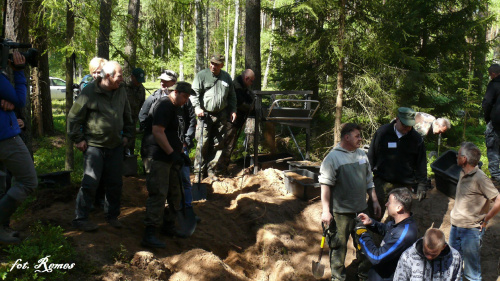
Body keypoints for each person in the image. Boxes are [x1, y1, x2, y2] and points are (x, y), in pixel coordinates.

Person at [67, 61, 134, 232]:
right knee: (90, 183)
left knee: (115, 183)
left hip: (116, 145)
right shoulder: (89, 91)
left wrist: (127, 135)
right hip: (94, 146)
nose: (122, 79)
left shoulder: (121, 91)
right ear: (109, 76)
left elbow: (127, 114)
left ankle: (112, 216)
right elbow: (74, 117)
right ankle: (81, 218)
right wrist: (78, 139)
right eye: (119, 76)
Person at [319, 123, 381, 281]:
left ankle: (364, 276)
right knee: (338, 249)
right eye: (357, 136)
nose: (360, 139)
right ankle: (338, 278)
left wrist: (374, 200)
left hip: (361, 211)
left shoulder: (362, 154)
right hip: (341, 214)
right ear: (346, 137)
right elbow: (325, 185)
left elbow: (368, 180)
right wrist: (326, 211)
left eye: (360, 136)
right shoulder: (332, 158)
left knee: (365, 247)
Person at [141, 82, 192, 248]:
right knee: (159, 193)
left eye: (188, 97)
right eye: (184, 96)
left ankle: (168, 226)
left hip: (171, 156)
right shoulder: (164, 105)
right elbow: (157, 132)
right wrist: (172, 153)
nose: (186, 100)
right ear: (175, 92)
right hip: (158, 156)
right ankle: (149, 233)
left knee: (175, 193)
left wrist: (181, 153)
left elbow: (177, 132)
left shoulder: (179, 107)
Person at [0, 51, 38, 243]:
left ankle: (2, 230)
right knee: (29, 181)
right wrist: (19, 71)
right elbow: (20, 99)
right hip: (5, 138)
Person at [449, 142, 500, 281]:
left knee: (472, 274)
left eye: (458, 154)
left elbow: (498, 200)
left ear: (464, 159)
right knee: (454, 268)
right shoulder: (462, 172)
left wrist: (486, 218)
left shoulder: (480, 178)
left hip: (471, 230)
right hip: (455, 227)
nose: (456, 156)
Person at [367, 107, 427, 217]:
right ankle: (369, 233)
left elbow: (421, 163)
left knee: (400, 217)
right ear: (397, 119)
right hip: (382, 181)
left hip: (404, 184)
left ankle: (394, 233)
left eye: (410, 126)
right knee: (374, 213)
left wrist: (422, 184)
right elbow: (371, 156)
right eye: (404, 125)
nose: (407, 128)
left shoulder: (416, 139)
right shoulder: (383, 133)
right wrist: (366, 179)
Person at [355, 187, 418, 281]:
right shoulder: (400, 223)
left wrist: (363, 234)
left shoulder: (405, 234)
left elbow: (377, 257)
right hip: (378, 274)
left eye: (389, 202)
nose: (386, 204)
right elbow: (387, 229)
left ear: (399, 208)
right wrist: (371, 223)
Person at [191, 53, 237, 181]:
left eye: (216, 64)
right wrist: (197, 107)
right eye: (211, 63)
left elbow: (232, 96)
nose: (213, 66)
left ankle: (211, 171)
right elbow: (193, 94)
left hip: (221, 114)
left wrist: (233, 110)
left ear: (222, 65)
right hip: (205, 114)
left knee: (218, 144)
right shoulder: (201, 76)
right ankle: (199, 172)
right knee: (202, 143)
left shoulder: (226, 77)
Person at [138, 70, 178, 172]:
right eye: (161, 80)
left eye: (166, 81)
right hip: (154, 144)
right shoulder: (153, 98)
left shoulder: (180, 99)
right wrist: (151, 131)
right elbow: (142, 116)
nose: (162, 83)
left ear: (174, 82)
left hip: (172, 143)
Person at [218, 69, 255, 171]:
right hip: (230, 120)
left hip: (236, 121)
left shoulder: (243, 87)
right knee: (227, 145)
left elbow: (249, 99)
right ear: (246, 78)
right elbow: (239, 103)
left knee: (230, 145)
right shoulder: (236, 87)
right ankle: (220, 168)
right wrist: (250, 107)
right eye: (251, 81)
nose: (251, 83)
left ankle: (223, 166)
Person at [394, 228, 462, 280]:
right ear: (423, 242)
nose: (429, 257)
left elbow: (456, 278)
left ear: (443, 247)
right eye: (426, 252)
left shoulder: (454, 257)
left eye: (433, 254)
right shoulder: (408, 256)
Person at [482, 64, 500, 186]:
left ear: (493, 74)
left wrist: (487, 118)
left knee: (493, 147)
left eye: (490, 75)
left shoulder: (494, 85)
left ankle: (496, 178)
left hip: (496, 122)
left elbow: (487, 103)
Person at [125, 67, 146, 155]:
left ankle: (130, 163)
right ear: (132, 77)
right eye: (137, 80)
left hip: (133, 121)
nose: (139, 83)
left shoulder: (141, 89)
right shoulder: (123, 86)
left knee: (131, 145)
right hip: (122, 121)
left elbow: (142, 104)